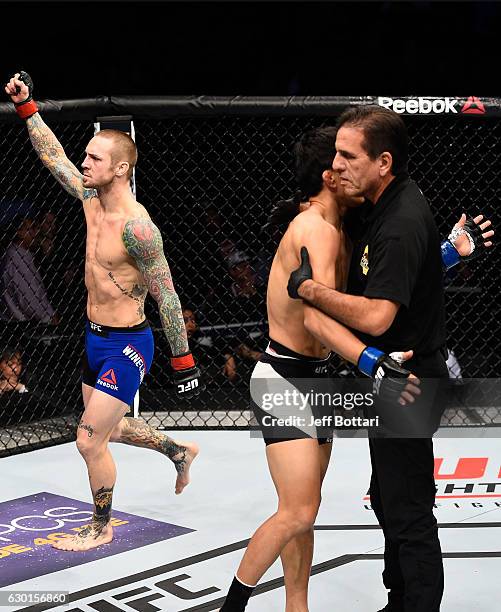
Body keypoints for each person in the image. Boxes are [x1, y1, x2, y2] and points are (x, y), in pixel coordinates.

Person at [287, 106, 494, 611]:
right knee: (388, 497)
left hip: (407, 377)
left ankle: (416, 603)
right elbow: (411, 275)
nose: (336, 166)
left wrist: (310, 289)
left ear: (383, 161)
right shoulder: (387, 203)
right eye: (334, 154)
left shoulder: (398, 220)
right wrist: (448, 252)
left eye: (347, 155)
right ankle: (399, 596)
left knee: (408, 509)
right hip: (394, 371)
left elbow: (378, 316)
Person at [220, 127, 421, 612]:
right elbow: (315, 317)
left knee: (303, 512)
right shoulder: (315, 230)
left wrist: (446, 257)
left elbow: (369, 301)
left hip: (317, 378)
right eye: (345, 162)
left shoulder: (338, 230)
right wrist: (373, 362)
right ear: (329, 177)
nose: (355, 173)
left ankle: (297, 606)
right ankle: (232, 606)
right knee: (298, 511)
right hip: (285, 378)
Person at [5, 71, 203, 552]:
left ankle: (101, 525)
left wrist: (183, 360)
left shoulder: (139, 230)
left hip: (128, 345)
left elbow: (168, 295)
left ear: (120, 169)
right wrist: (27, 107)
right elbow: (53, 156)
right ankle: (178, 450)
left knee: (89, 440)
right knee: (110, 427)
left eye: (95, 158)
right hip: (94, 337)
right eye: (87, 155)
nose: (85, 162)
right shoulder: (90, 200)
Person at [0, 216, 59, 324]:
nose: (36, 232)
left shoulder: (24, 254)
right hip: (24, 326)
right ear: (19, 232)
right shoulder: (16, 258)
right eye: (31, 228)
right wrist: (49, 317)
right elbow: (28, 299)